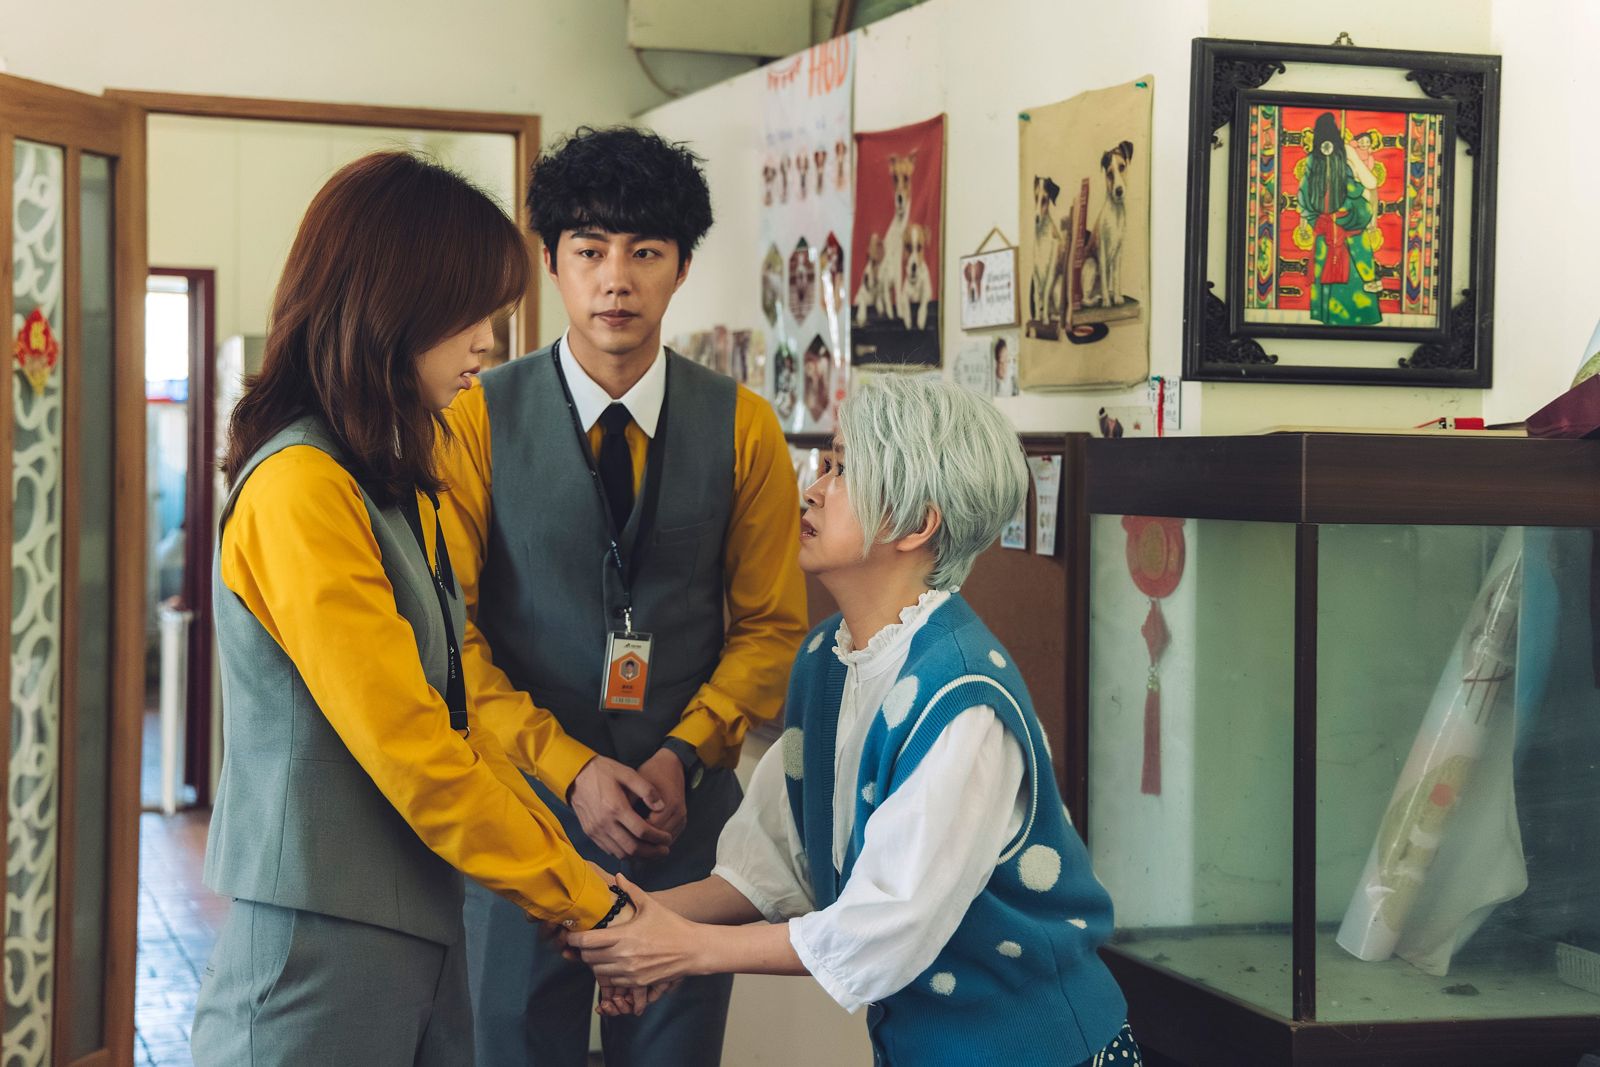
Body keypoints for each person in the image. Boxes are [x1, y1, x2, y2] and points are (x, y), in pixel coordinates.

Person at [190, 152, 635, 1067]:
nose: (488, 343)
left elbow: (455, 722)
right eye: (471, 314)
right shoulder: (301, 487)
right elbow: (413, 748)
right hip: (317, 956)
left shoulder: (392, 481)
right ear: (392, 303)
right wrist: (582, 898)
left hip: (420, 936)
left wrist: (576, 883)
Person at [571, 374, 1140, 1067]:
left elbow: (885, 926)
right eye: (825, 464)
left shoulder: (964, 700)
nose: (813, 489)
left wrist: (685, 948)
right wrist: (632, 917)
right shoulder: (827, 659)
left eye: (842, 470)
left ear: (918, 523)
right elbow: (771, 862)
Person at [438, 126, 808, 1066]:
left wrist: (686, 754)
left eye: (645, 252)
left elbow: (770, 627)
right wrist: (569, 768)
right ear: (551, 264)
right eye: (590, 250)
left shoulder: (746, 428)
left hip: (680, 823)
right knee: (513, 1047)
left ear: (681, 268)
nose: (616, 280)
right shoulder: (475, 418)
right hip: (520, 817)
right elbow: (451, 635)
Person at [1297, 111, 1382, 327]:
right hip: (1327, 229)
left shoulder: (1345, 155)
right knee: (1330, 272)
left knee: (1355, 272)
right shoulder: (1312, 160)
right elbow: (1305, 194)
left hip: (1349, 225)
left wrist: (1352, 156)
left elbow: (1371, 184)